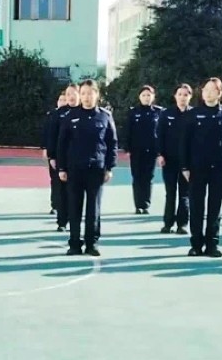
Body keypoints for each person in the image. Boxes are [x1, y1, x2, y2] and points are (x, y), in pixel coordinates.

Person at [56, 79, 117, 256]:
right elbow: (62, 144)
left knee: (93, 209)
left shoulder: (105, 116)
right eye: (83, 93)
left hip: (96, 170)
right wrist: (62, 168)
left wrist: (109, 167)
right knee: (74, 208)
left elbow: (112, 143)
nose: (86, 97)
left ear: (97, 95)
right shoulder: (70, 116)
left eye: (90, 93)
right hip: (74, 170)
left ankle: (92, 243)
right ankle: (74, 243)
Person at [180, 77, 222, 258]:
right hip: (197, 168)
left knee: (215, 207)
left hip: (220, 168)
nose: (208, 93)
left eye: (212, 90)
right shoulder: (193, 114)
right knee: (196, 206)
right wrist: (185, 167)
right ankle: (196, 244)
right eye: (205, 90)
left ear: (219, 93)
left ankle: (212, 244)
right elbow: (185, 142)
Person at [156, 83, 193, 235]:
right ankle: (168, 223)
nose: (182, 97)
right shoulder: (166, 114)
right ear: (175, 96)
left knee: (185, 193)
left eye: (186, 95)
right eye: (180, 94)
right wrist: (160, 154)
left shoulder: (194, 114)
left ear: (190, 97)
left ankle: (182, 224)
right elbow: (160, 135)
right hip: (169, 160)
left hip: (188, 162)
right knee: (170, 192)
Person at [125, 85, 161, 215]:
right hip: (136, 150)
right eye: (144, 95)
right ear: (139, 97)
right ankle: (138, 205)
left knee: (148, 177)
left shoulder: (158, 112)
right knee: (137, 177)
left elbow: (161, 132)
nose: (146, 97)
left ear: (153, 96)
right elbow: (128, 131)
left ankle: (145, 204)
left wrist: (160, 150)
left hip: (151, 150)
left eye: (149, 95)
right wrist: (127, 148)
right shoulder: (133, 112)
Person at [46, 85, 79, 230]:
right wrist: (52, 156)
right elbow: (52, 136)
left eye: (74, 93)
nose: (71, 97)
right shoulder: (58, 114)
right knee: (61, 190)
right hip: (61, 158)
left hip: (79, 159)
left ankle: (75, 221)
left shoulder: (84, 112)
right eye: (68, 94)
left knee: (76, 192)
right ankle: (62, 221)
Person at [43, 92, 69, 220]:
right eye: (60, 99)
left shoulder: (71, 115)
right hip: (54, 152)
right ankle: (55, 204)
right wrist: (46, 149)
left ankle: (66, 207)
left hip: (67, 153)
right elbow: (47, 134)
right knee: (55, 179)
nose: (62, 102)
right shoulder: (52, 115)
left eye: (64, 99)